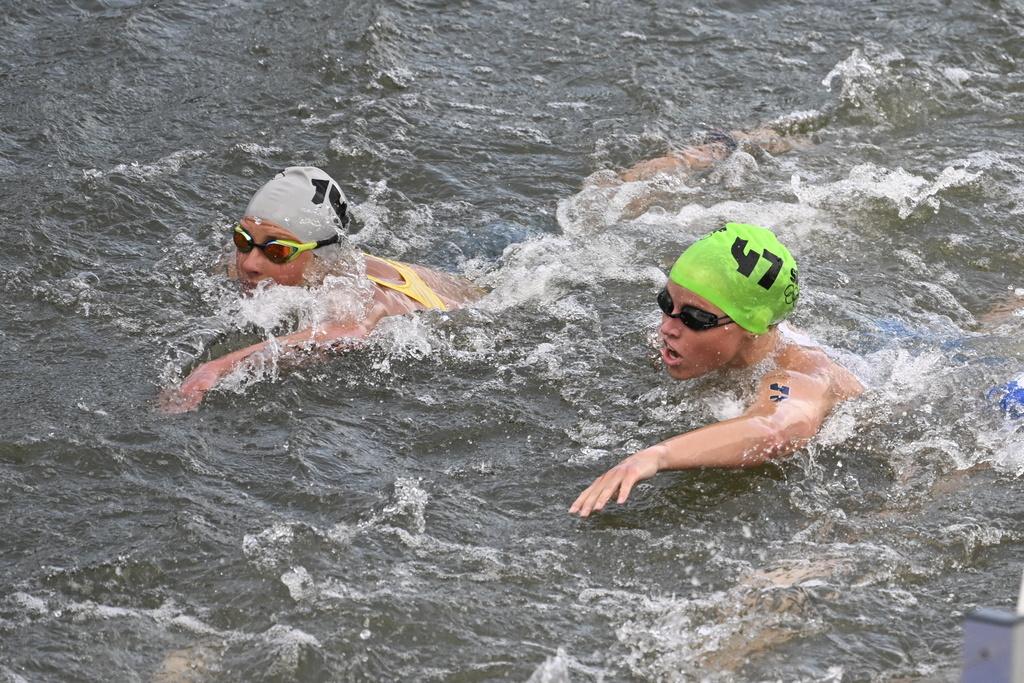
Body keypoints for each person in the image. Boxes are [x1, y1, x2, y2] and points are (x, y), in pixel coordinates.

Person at [569, 222, 864, 517]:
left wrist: (658, 456)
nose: (667, 328)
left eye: (694, 318)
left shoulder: (795, 374)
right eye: (666, 302)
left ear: (753, 327)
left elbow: (774, 430)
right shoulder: (715, 326)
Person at [163, 166, 483, 412]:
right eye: (242, 240)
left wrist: (215, 369)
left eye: (277, 252)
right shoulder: (246, 260)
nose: (249, 264)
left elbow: (349, 332)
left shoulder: (348, 290)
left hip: (486, 295)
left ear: (319, 259)